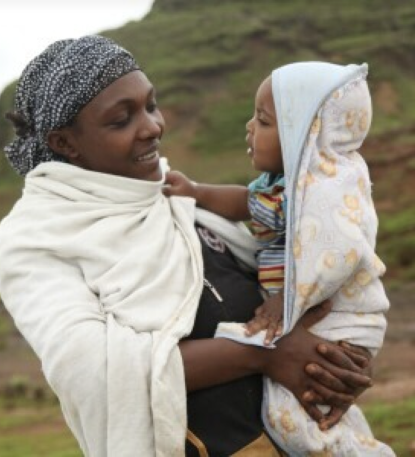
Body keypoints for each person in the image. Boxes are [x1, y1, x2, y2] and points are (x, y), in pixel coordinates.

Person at [0, 35, 375, 457]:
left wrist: (333, 351)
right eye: (122, 119)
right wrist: (262, 355)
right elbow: (95, 373)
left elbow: (293, 272)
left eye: (151, 106)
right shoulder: (36, 238)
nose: (153, 127)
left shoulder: (176, 200)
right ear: (64, 143)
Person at [164, 62, 395, 455]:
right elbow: (246, 203)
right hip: (304, 309)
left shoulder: (328, 190)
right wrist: (196, 191)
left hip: (339, 314)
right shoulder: (284, 186)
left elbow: (336, 256)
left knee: (296, 412)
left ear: (305, 133)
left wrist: (286, 299)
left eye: (264, 120)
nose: (249, 127)